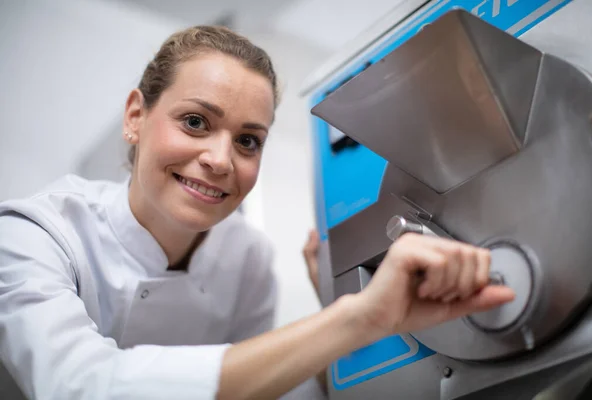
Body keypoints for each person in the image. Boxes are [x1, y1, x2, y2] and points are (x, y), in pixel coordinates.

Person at [0, 25, 515, 400]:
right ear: (136, 116)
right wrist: (356, 317)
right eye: (196, 121)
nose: (221, 160)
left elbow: (268, 388)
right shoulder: (35, 235)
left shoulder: (245, 257)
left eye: (248, 140)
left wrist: (333, 303)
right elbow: (78, 386)